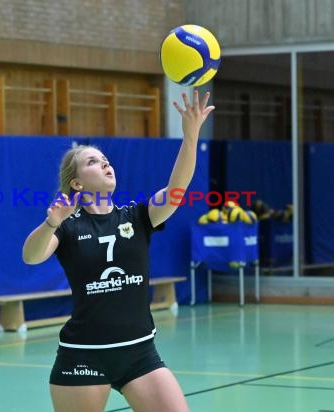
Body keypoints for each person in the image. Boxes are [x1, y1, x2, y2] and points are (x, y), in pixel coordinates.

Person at [22, 89, 214, 412]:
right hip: (83, 354)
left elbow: (176, 190)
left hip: (139, 353)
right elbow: (31, 256)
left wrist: (190, 136)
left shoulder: (137, 217)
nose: (105, 163)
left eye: (105, 159)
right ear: (77, 184)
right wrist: (50, 223)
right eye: (93, 162)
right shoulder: (67, 226)